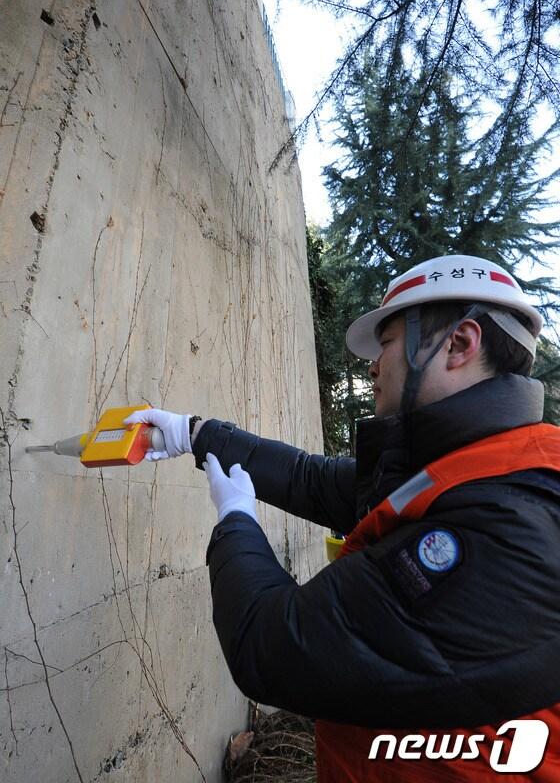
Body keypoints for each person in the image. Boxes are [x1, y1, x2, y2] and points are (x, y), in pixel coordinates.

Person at [125, 255, 560, 781]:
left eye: (389, 343)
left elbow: (274, 648)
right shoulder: (473, 466)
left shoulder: (505, 524)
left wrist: (235, 520)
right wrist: (192, 433)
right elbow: (313, 479)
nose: (374, 365)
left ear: (460, 344)